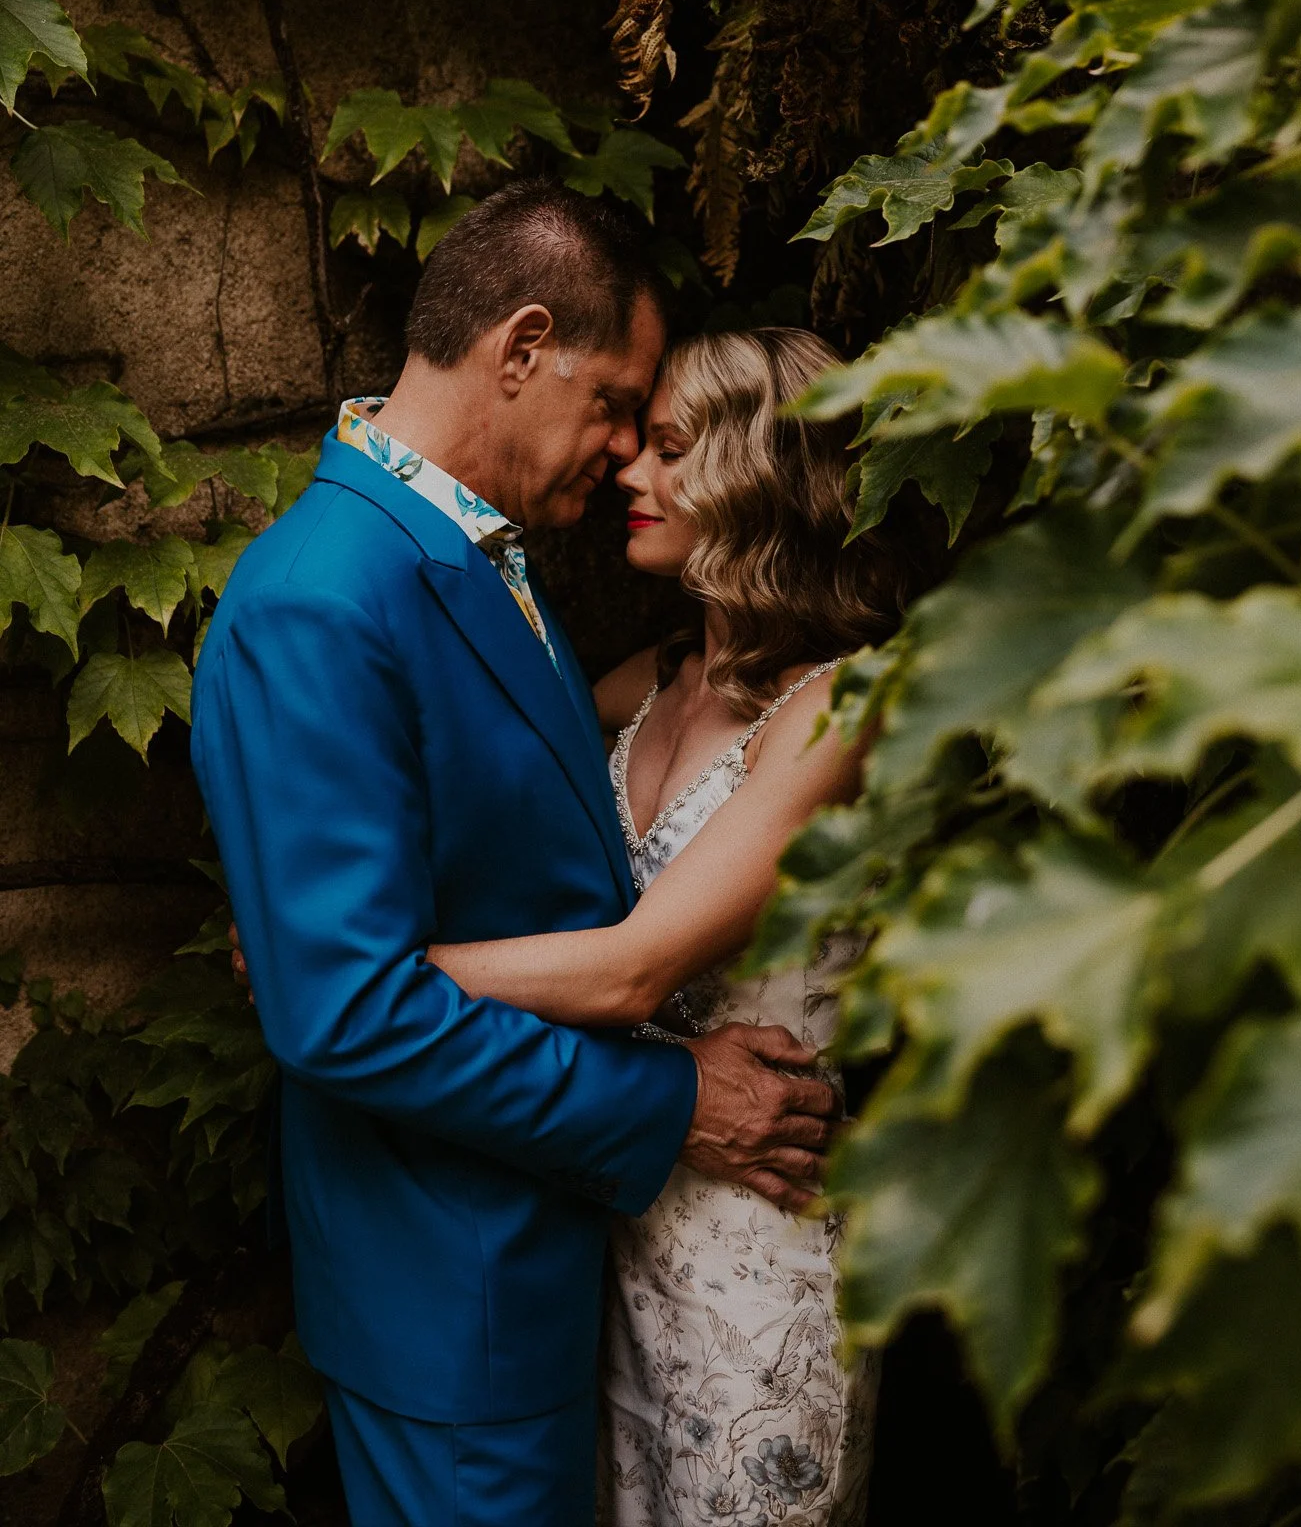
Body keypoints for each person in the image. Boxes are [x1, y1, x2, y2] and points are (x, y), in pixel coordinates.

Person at [192, 182, 838, 1527]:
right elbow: (350, 1015)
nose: (620, 453)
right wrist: (669, 1107)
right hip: (455, 1296)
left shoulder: (479, 561)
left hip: (561, 1272)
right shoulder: (321, 598)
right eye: (614, 404)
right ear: (522, 344)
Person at [421, 327, 906, 1527]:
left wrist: (371, 973)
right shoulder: (652, 677)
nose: (630, 469)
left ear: (763, 475)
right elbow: (476, 812)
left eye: (675, 448)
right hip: (619, 1216)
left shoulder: (847, 706)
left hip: (761, 1250)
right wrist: (317, 889)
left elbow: (636, 969)